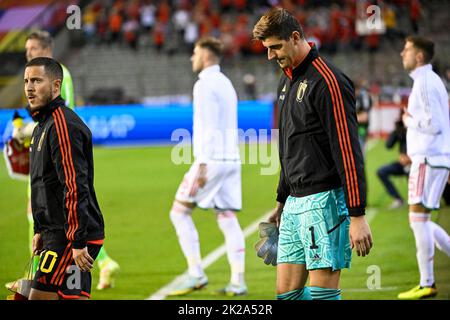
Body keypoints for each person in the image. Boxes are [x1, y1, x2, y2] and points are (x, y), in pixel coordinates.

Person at [252, 8, 373, 300]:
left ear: (295, 37)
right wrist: (282, 200)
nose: (270, 56)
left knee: (321, 295)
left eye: (275, 47)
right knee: (287, 294)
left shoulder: (328, 81)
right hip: (295, 202)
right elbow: (289, 149)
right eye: (267, 49)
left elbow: (347, 149)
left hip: (325, 200)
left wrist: (357, 214)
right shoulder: (286, 80)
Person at [6, 30, 119, 291]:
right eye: (27, 50)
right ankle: (41, 272)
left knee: (55, 204)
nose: (28, 53)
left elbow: (75, 184)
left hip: (56, 152)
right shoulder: (46, 106)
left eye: (33, 49)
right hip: (50, 150)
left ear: (46, 49)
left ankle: (37, 274)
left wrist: (27, 131)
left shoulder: (60, 80)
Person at [168, 36, 247, 296]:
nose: (192, 58)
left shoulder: (203, 84)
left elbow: (207, 125)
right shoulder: (226, 83)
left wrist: (201, 163)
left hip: (211, 160)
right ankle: (238, 281)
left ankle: (195, 274)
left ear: (204, 55)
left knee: (179, 212)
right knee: (226, 217)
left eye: (194, 53)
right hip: (231, 159)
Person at [25, 57, 105, 299]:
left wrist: (77, 241)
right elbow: (42, 183)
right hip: (57, 231)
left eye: (37, 81)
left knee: (37, 296)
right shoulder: (42, 124)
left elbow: (74, 186)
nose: (29, 87)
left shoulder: (62, 125)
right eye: (27, 81)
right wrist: (40, 228)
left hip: (68, 235)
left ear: (56, 86)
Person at [398, 36, 450, 299]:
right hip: (435, 158)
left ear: (419, 56)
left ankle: (427, 282)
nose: (401, 54)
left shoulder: (425, 83)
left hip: (427, 159)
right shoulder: (429, 81)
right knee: (422, 221)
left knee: (418, 220)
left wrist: (409, 121)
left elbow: (435, 124)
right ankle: (427, 281)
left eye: (406, 50)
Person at [376, 114, 410, 210]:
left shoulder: (419, 130)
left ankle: (419, 201)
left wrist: (410, 159)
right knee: (381, 171)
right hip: (402, 164)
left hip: (416, 164)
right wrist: (396, 131)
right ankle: (398, 199)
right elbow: (388, 145)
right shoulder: (401, 131)